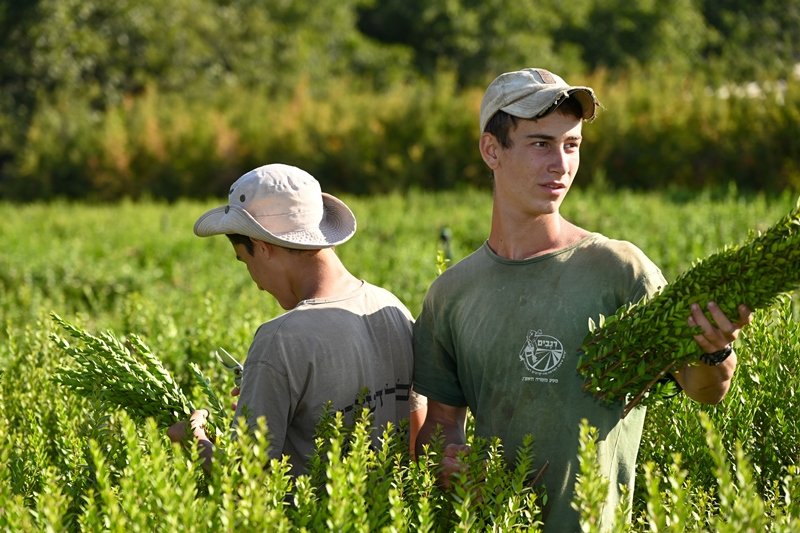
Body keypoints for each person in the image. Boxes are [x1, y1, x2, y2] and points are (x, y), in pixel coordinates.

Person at [411, 68, 752, 530]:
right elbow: (441, 425)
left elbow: (704, 390)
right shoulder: (451, 293)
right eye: (540, 144)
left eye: (571, 145)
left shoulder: (619, 270)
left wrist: (717, 352)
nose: (561, 164)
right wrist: (449, 463)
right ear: (492, 150)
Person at [169, 163, 423, 476]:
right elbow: (419, 439)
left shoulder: (281, 340)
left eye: (244, 261)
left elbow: (244, 478)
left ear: (263, 248)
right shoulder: (391, 308)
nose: (257, 283)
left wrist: (193, 438)